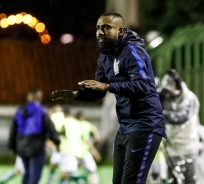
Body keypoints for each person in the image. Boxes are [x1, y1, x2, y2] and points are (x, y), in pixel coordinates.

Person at [52, 12, 166, 184]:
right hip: (125, 126)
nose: (100, 32)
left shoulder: (133, 51)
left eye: (106, 27)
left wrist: (109, 86)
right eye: (98, 28)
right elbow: (99, 90)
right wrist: (77, 95)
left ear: (121, 31)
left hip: (146, 124)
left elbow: (144, 85)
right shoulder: (105, 56)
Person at [8, 87, 60, 184]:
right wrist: (57, 141)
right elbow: (50, 128)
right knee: (34, 176)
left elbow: (13, 129)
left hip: (22, 147)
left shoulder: (20, 110)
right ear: (40, 97)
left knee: (26, 174)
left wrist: (12, 146)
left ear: (28, 97)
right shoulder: (41, 111)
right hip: (36, 147)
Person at [158, 69, 200, 184]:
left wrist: (162, 114)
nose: (168, 95)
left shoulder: (190, 99)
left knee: (190, 180)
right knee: (173, 181)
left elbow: (183, 118)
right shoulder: (161, 97)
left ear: (178, 86)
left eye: (170, 91)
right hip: (171, 150)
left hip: (188, 148)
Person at [76, 111, 100, 184]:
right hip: (84, 151)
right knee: (92, 171)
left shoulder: (73, 124)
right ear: (83, 117)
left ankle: (80, 179)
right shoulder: (88, 125)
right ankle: (82, 179)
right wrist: (94, 150)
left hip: (71, 151)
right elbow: (97, 138)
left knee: (70, 171)